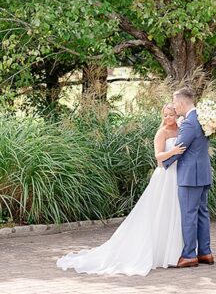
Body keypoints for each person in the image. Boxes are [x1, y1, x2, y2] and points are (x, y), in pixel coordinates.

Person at [56, 103, 185, 276]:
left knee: (175, 212)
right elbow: (158, 156)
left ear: (177, 114)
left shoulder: (182, 130)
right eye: (165, 114)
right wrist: (174, 151)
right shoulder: (161, 133)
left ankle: (174, 252)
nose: (168, 118)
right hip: (165, 176)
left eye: (171, 114)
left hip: (179, 175)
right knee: (160, 211)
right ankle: (158, 252)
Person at [163, 87, 214, 268]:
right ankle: (205, 253)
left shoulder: (190, 123)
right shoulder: (204, 118)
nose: (175, 107)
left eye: (175, 103)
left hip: (190, 176)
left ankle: (189, 255)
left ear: (183, 103)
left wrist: (164, 164)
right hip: (203, 173)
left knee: (189, 214)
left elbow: (180, 148)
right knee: (202, 213)